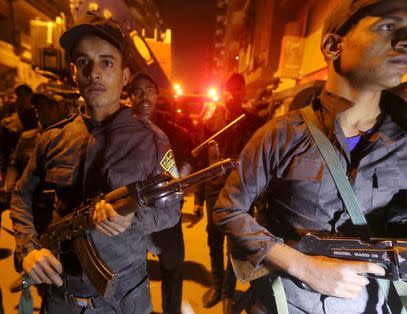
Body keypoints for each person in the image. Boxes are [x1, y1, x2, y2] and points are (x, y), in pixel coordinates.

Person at [213, 0, 407, 313]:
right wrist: (303, 267)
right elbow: (228, 210)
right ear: (332, 46)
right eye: (387, 27)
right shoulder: (282, 134)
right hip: (290, 302)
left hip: (376, 303)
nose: (406, 41)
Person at [10, 13, 181, 313]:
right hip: (61, 297)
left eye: (106, 62)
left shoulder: (153, 141)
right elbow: (21, 195)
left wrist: (134, 219)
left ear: (125, 76)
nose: (94, 73)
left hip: (124, 299)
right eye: (83, 62)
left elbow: (172, 209)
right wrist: (28, 249)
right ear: (73, 72)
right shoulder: (51, 140)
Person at [196, 73, 265, 312]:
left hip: (244, 192)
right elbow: (203, 162)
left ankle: (227, 292)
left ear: (244, 93)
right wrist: (198, 198)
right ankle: (217, 285)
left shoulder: (255, 123)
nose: (236, 95)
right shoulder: (212, 119)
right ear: (224, 92)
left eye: (240, 90)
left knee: (235, 244)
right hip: (215, 189)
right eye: (231, 90)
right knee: (213, 238)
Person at [129, 71, 186, 314]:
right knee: (130, 277)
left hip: (167, 218)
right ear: (130, 96)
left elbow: (188, 164)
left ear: (157, 94)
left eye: (149, 90)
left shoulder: (175, 133)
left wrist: (181, 178)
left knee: (172, 273)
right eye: (138, 91)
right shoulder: (123, 132)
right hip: (132, 218)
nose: (144, 96)